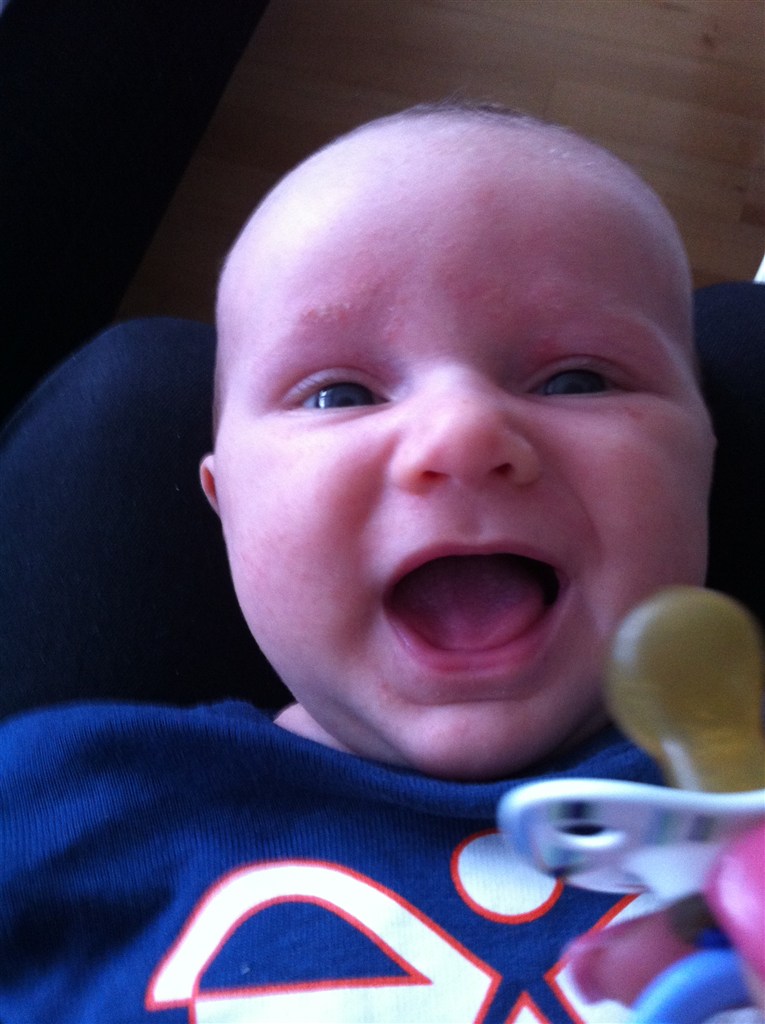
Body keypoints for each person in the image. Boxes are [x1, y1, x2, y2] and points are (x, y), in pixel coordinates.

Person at [0, 103, 717, 1023]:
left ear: (705, 465)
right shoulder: (63, 799)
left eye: (576, 380)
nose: (461, 434)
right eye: (337, 394)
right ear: (224, 504)